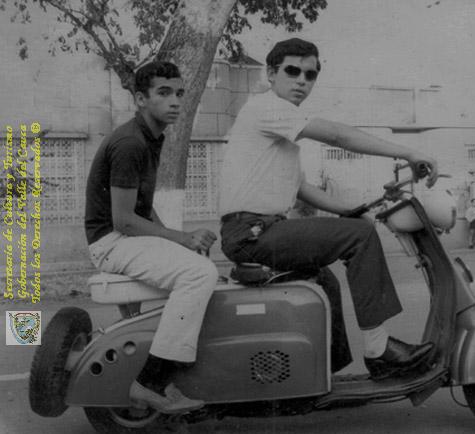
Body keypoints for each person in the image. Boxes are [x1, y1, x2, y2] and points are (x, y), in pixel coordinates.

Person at [219, 38, 436, 381]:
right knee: (361, 236)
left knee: (326, 278)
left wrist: (351, 209)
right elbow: (338, 136)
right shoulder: (267, 108)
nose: (302, 81)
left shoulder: (279, 129)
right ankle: (378, 350)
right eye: (292, 71)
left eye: (310, 75)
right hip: (253, 233)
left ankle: (320, 375)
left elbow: (303, 188)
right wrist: (408, 152)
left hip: (257, 231)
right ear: (271, 74)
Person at [84, 61, 218, 413]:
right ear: (141, 99)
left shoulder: (150, 136)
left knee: (194, 264)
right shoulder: (131, 142)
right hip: (112, 242)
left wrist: (178, 239)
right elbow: (124, 220)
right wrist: (181, 237)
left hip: (121, 238)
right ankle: (151, 383)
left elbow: (141, 209)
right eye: (164, 93)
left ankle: (147, 357)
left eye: (179, 93)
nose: (175, 101)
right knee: (200, 273)